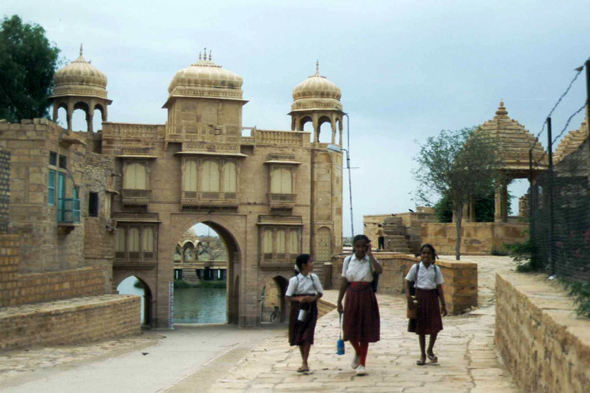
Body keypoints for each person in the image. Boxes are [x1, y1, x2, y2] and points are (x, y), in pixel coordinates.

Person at [337, 235, 383, 376]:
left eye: (364, 246)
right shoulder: (348, 260)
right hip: (352, 294)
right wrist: (339, 300)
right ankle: (357, 352)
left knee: (364, 329)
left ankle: (362, 363)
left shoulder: (370, 261)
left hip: (366, 294)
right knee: (349, 327)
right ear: (354, 247)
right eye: (358, 246)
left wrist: (371, 255)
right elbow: (345, 280)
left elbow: (379, 271)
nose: (360, 249)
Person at [405, 243, 447, 366]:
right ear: (420, 254)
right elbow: (407, 281)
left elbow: (439, 287)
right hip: (420, 298)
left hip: (432, 298)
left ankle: (430, 349)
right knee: (421, 328)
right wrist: (408, 296)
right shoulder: (416, 268)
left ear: (433, 255)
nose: (426, 255)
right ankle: (423, 354)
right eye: (424, 253)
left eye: (428, 253)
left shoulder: (436, 269)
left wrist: (443, 304)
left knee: (434, 326)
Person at [285, 254, 324, 373]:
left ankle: (305, 362)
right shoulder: (294, 280)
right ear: (304, 265)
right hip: (299, 308)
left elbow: (320, 292)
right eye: (310, 262)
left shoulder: (314, 278)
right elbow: (288, 296)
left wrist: (314, 298)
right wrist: (299, 299)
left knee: (308, 333)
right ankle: (304, 361)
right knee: (300, 333)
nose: (313, 264)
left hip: (311, 307)